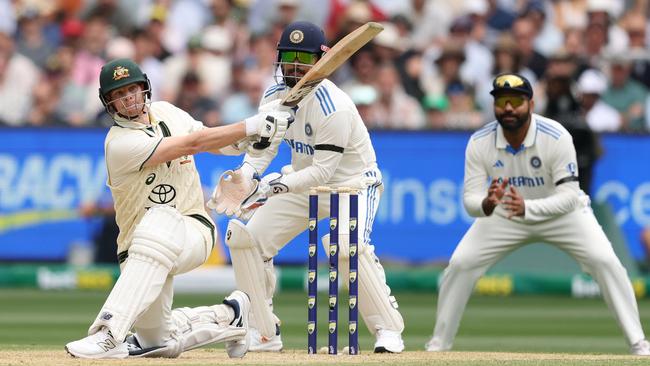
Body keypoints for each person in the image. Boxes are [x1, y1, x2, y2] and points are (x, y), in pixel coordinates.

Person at [64, 58, 292, 359]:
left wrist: (258, 133)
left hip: (192, 228)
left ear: (144, 88)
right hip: (136, 251)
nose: (128, 98)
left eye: (131, 89)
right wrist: (250, 124)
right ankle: (230, 315)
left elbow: (217, 142)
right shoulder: (118, 143)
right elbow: (191, 144)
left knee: (160, 217)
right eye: (118, 94)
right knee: (158, 343)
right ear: (109, 103)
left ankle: (108, 333)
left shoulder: (169, 112)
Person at [208, 21, 405, 353]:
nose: (294, 64)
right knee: (248, 241)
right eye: (288, 56)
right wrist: (246, 176)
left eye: (303, 57)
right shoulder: (273, 95)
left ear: (321, 61)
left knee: (345, 247)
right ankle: (263, 330)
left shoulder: (335, 106)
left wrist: (270, 188)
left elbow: (322, 172)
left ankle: (388, 330)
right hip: (300, 183)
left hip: (351, 185)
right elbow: (264, 147)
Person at [425, 73, 650, 356]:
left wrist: (529, 208)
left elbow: (569, 197)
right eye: (502, 101)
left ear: (530, 105)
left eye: (516, 102)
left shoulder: (556, 136)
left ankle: (639, 343)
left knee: (605, 261)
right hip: (505, 213)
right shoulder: (479, 141)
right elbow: (470, 199)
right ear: (494, 106)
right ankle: (438, 345)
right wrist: (487, 203)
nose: (508, 108)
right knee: (460, 264)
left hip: (561, 214)